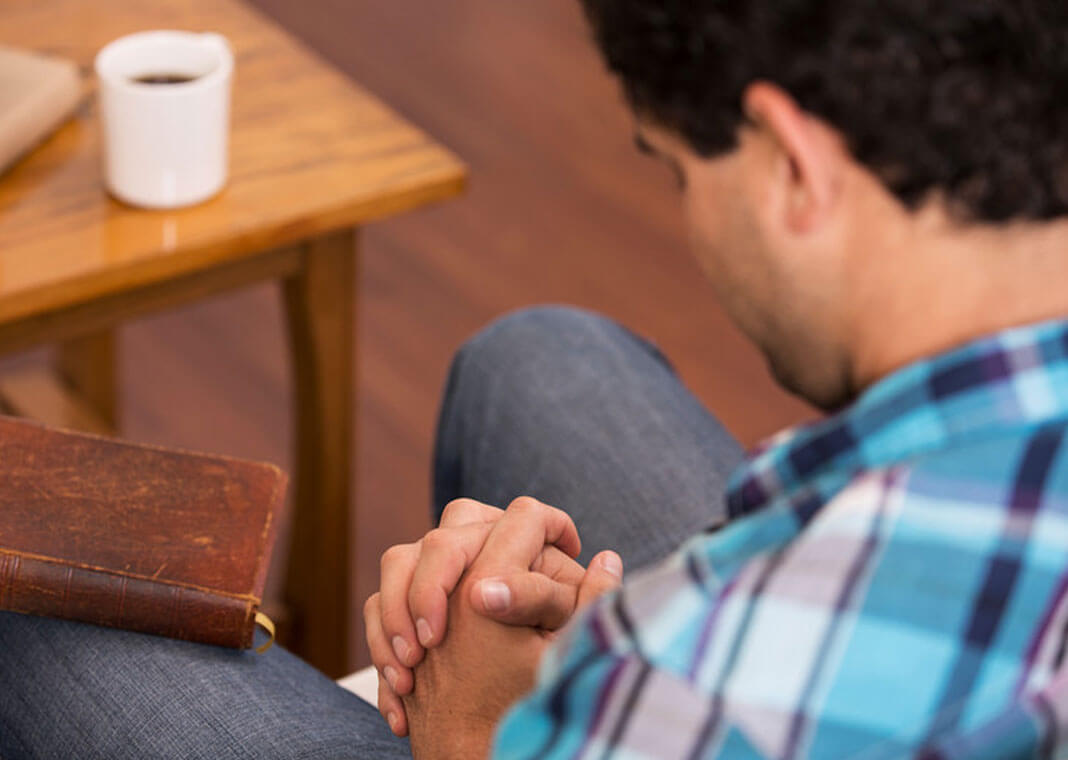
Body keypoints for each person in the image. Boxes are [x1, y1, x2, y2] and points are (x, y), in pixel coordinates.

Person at [4, 0, 1068, 757]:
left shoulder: (723, 688)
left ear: (793, 166)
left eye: (676, 168)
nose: (687, 217)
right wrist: (633, 628)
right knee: (543, 354)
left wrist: (482, 727)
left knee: (36, 607)